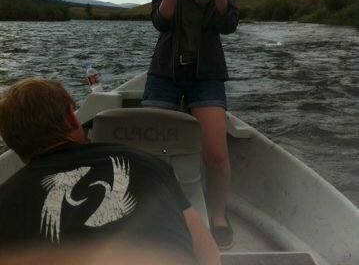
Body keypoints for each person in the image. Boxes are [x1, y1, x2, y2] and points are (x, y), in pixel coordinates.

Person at [0, 77, 220, 265]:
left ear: (13, 142)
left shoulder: (6, 200)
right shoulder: (148, 164)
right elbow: (208, 252)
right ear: (71, 118)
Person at [142, 0, 240, 249]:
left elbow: (228, 26)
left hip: (206, 75)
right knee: (151, 150)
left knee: (216, 152)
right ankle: (154, 212)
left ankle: (217, 216)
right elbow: (161, 21)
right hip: (165, 73)